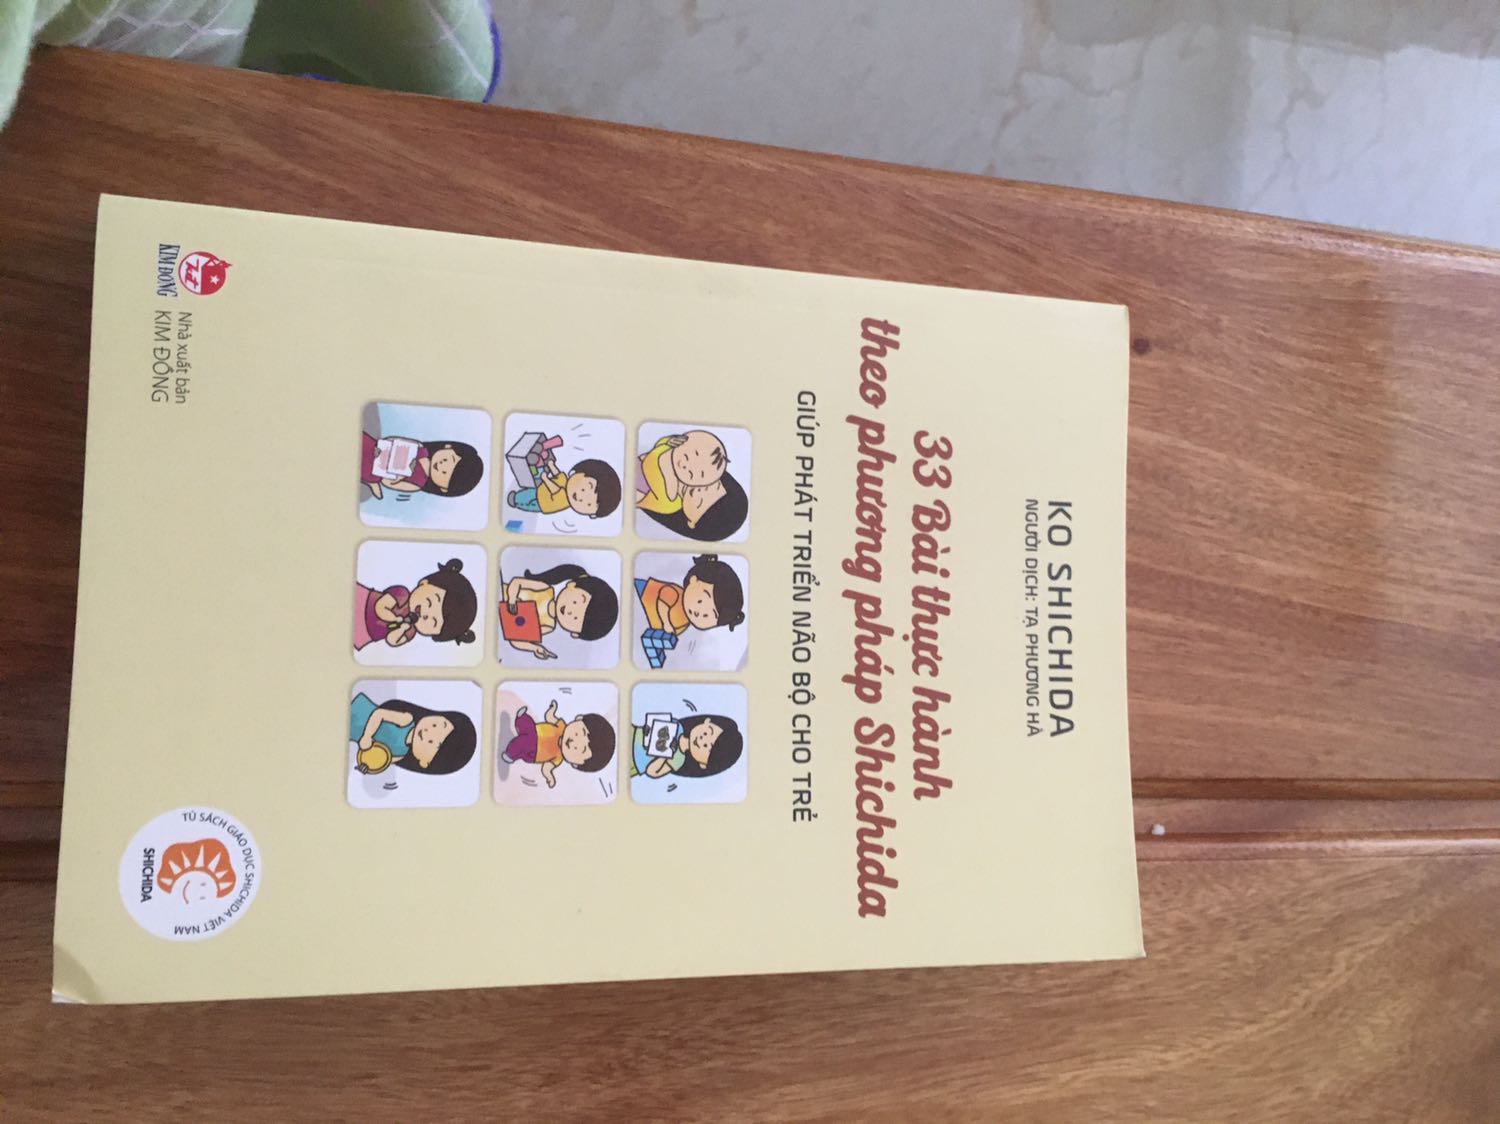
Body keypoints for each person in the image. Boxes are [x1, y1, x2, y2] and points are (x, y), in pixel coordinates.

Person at [635, 554, 745, 668]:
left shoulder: (686, 622)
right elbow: (662, 599)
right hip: (643, 597)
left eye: (706, 615)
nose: (698, 613)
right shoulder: (676, 595)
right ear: (693, 580)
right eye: (700, 601)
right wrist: (666, 622)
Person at [636, 429, 748, 541]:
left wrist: (665, 450)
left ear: (691, 521)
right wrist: (669, 442)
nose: (702, 490)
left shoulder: (670, 503)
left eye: (700, 502)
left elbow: (657, 461)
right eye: (712, 485)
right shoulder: (679, 471)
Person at [499, 562, 618, 660]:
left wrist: (535, 648)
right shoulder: (546, 590)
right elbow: (517, 582)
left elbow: (516, 639)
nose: (570, 611)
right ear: (571, 585)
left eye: (575, 618)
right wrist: (511, 600)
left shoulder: (548, 626)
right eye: (575, 602)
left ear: (575, 634)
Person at [354, 558, 477, 651]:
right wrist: (394, 618)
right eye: (429, 603)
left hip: (365, 634)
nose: (425, 614)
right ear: (424, 583)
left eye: (433, 621)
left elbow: (391, 640)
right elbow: (380, 607)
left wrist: (402, 629)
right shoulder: (402, 594)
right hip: (360, 603)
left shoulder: (410, 631)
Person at [349, 692, 477, 775]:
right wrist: (367, 736)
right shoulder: (406, 720)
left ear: (424, 762)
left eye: (431, 742)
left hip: (350, 733)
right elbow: (379, 714)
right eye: (435, 725)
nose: (427, 732)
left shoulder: (401, 753)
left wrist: (366, 766)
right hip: (355, 709)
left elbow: (381, 760)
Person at [501, 699, 615, 788]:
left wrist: (550, 778)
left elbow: (546, 768)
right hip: (534, 730)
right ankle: (520, 718)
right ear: (578, 719)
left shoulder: (557, 758)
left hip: (533, 751)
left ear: (575, 764)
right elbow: (550, 717)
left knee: (522, 744)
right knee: (526, 724)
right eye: (579, 733)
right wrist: (552, 709)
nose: (574, 742)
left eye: (582, 749)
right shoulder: (561, 726)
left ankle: (510, 754)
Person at [361, 433, 482, 500]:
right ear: (448, 447)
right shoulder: (420, 448)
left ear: (443, 488)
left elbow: (388, 483)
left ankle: (371, 482)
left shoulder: (417, 483)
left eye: (444, 473)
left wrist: (402, 473)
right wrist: (383, 446)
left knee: (365, 472)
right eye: (447, 460)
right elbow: (391, 439)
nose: (441, 466)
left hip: (375, 471)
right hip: (373, 447)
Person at [631, 713, 743, 780]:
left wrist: (665, 755)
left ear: (703, 764)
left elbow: (652, 772)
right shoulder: (677, 726)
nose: (701, 740)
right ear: (707, 721)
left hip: (633, 762)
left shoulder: (678, 759)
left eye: (706, 746)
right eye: (706, 733)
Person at [509, 456, 621, 520]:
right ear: (574, 472)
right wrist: (551, 465)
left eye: (588, 504)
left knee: (527, 503)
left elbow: (555, 490)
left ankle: (515, 501)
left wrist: (545, 479)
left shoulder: (564, 499)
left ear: (591, 515)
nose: (580, 497)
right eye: (584, 489)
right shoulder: (566, 482)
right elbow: (558, 475)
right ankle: (516, 498)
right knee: (528, 493)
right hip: (540, 491)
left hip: (542, 504)